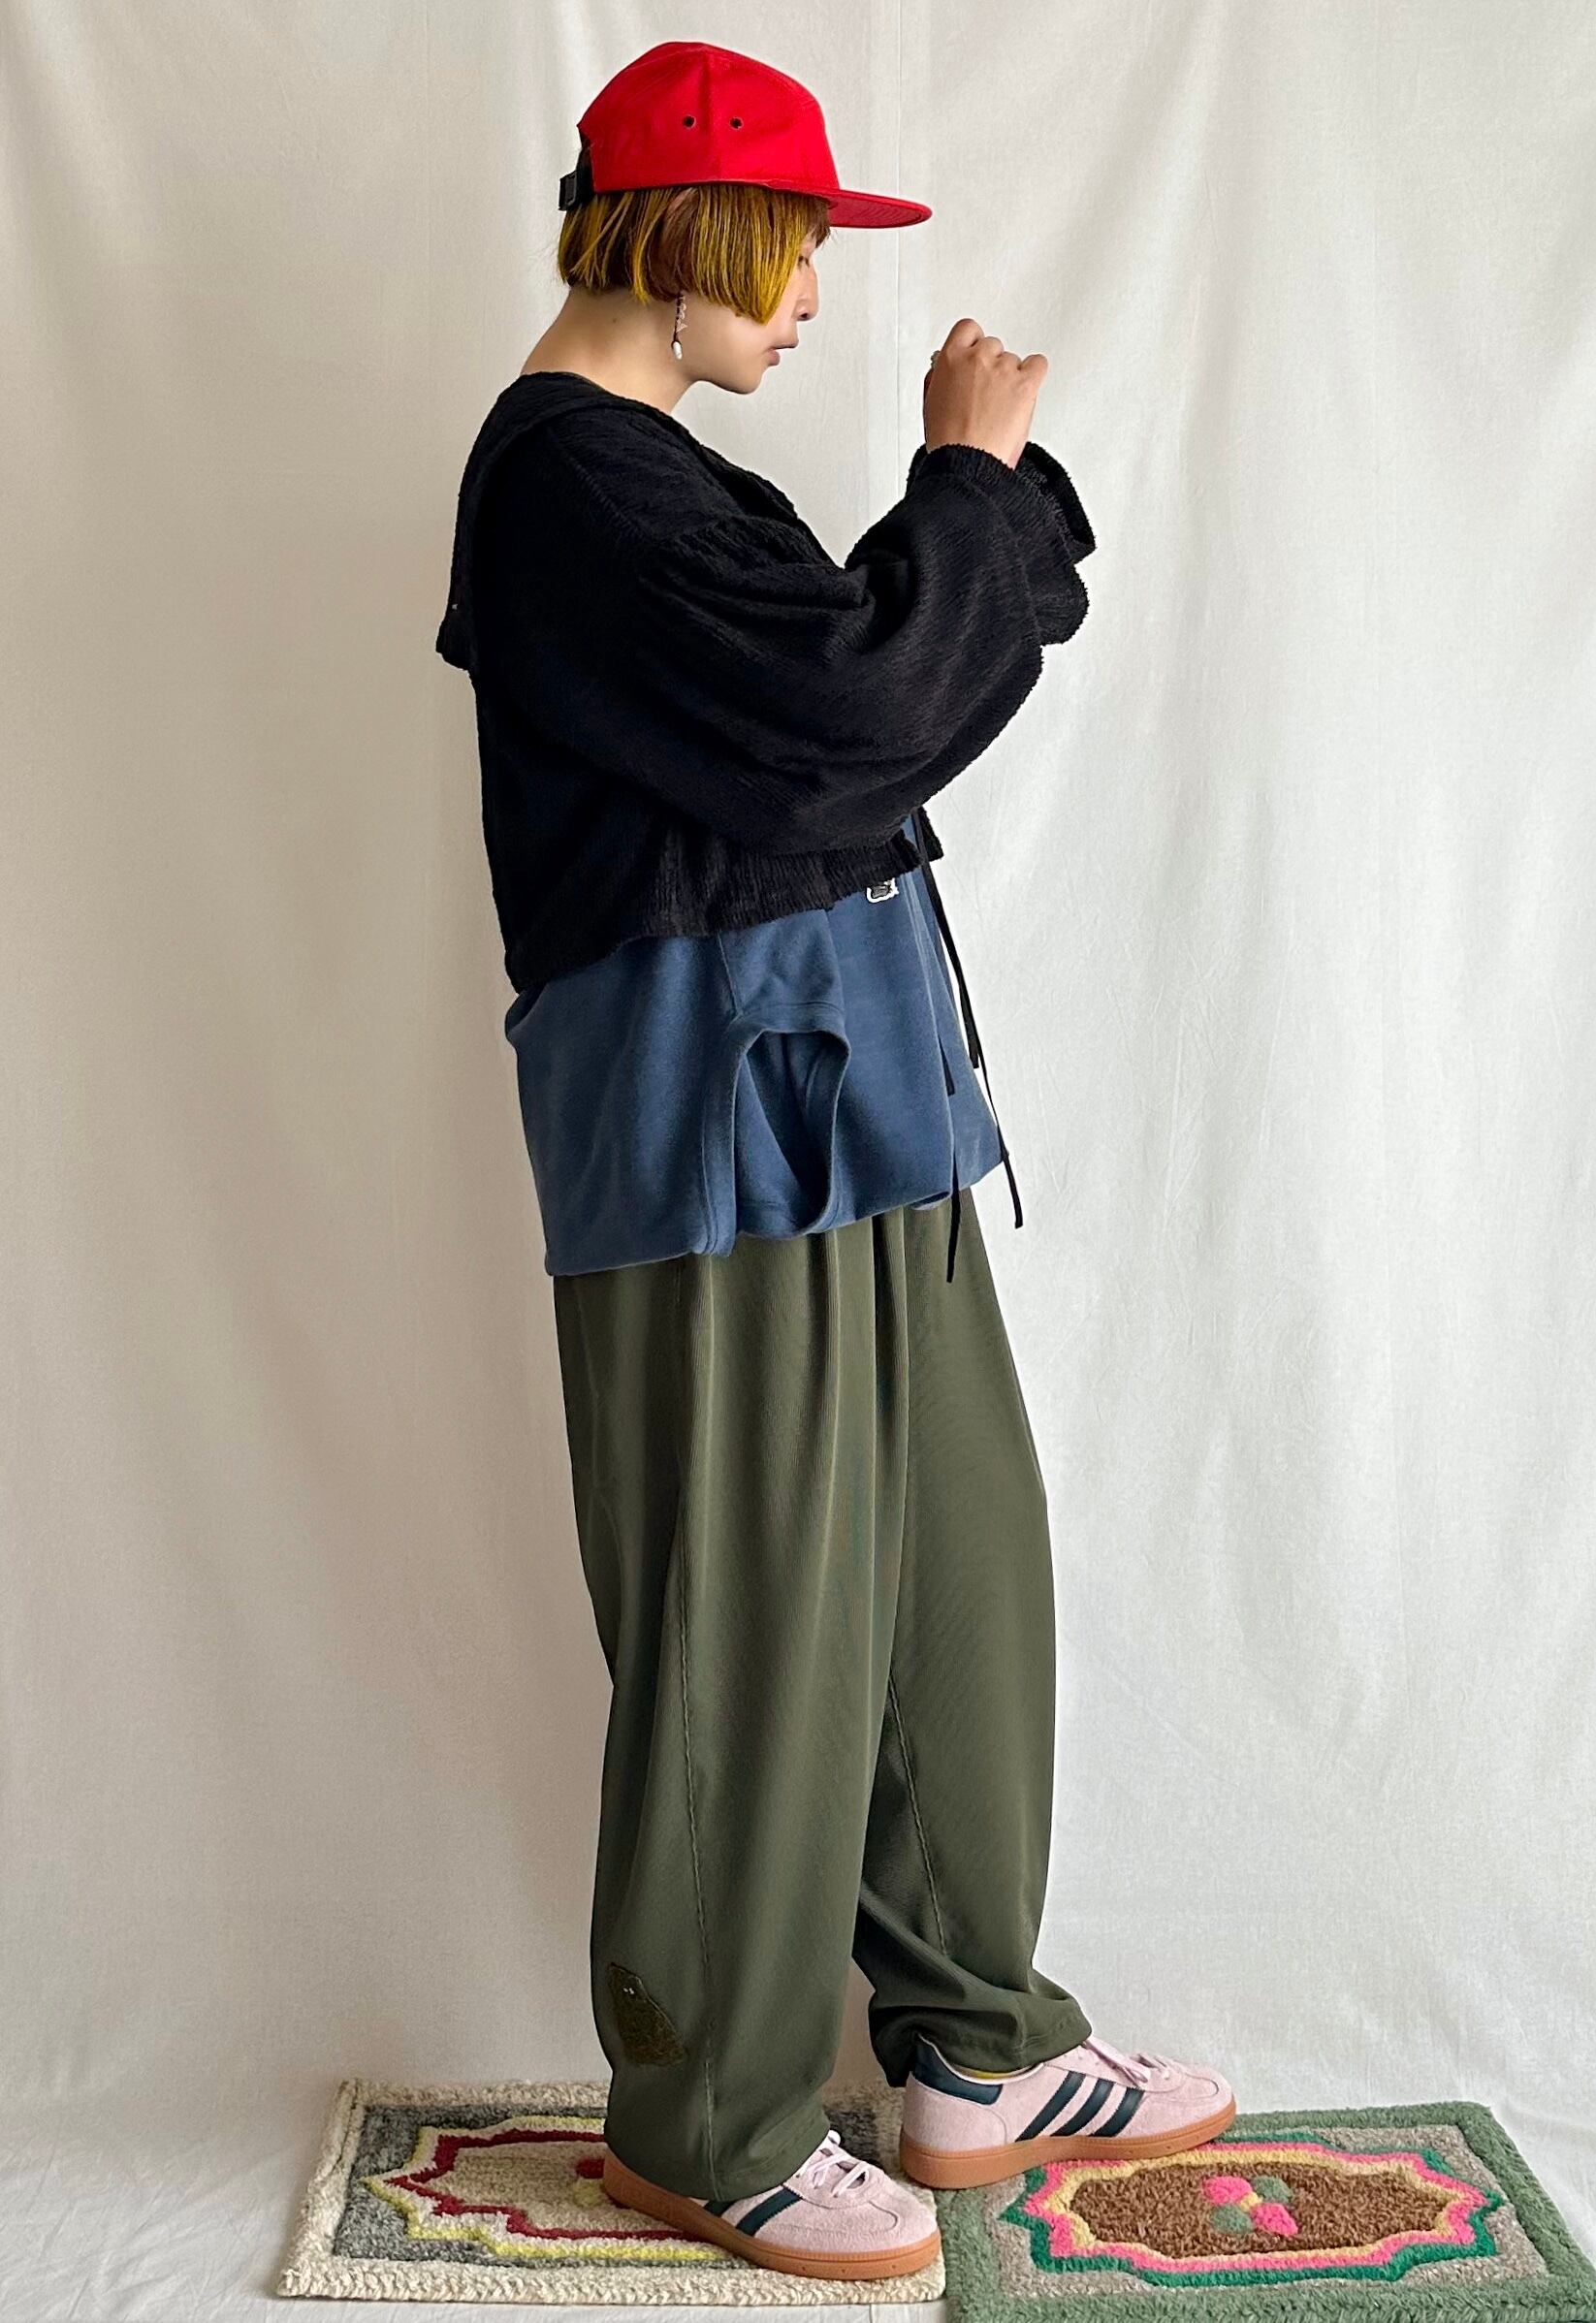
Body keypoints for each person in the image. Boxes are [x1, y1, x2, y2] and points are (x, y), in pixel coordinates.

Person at [433, 38, 1234, 2285]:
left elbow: (866, 701)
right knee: (755, 1622)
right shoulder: (566, 481)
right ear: (683, 230)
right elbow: (852, 719)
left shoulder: (659, 481)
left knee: (954, 1574)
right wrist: (965, 481)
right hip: (709, 1114)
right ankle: (707, 2117)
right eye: (786, 249)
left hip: (847, 1082)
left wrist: (969, 511)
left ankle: (970, 2044)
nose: (806, 298)